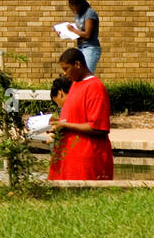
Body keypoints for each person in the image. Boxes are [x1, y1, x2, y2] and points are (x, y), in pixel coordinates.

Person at [48, 48, 113, 181]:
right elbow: (75, 119)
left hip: (87, 158)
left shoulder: (95, 87)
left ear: (77, 64)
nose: (64, 73)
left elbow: (98, 127)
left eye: (66, 69)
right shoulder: (75, 85)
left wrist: (65, 126)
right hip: (71, 158)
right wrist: (57, 126)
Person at [61, 0, 101, 73]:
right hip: (81, 47)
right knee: (79, 74)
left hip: (90, 48)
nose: (73, 11)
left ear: (79, 5)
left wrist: (72, 30)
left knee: (87, 74)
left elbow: (87, 34)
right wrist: (63, 33)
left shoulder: (89, 13)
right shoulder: (77, 14)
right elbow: (79, 31)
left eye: (74, 8)